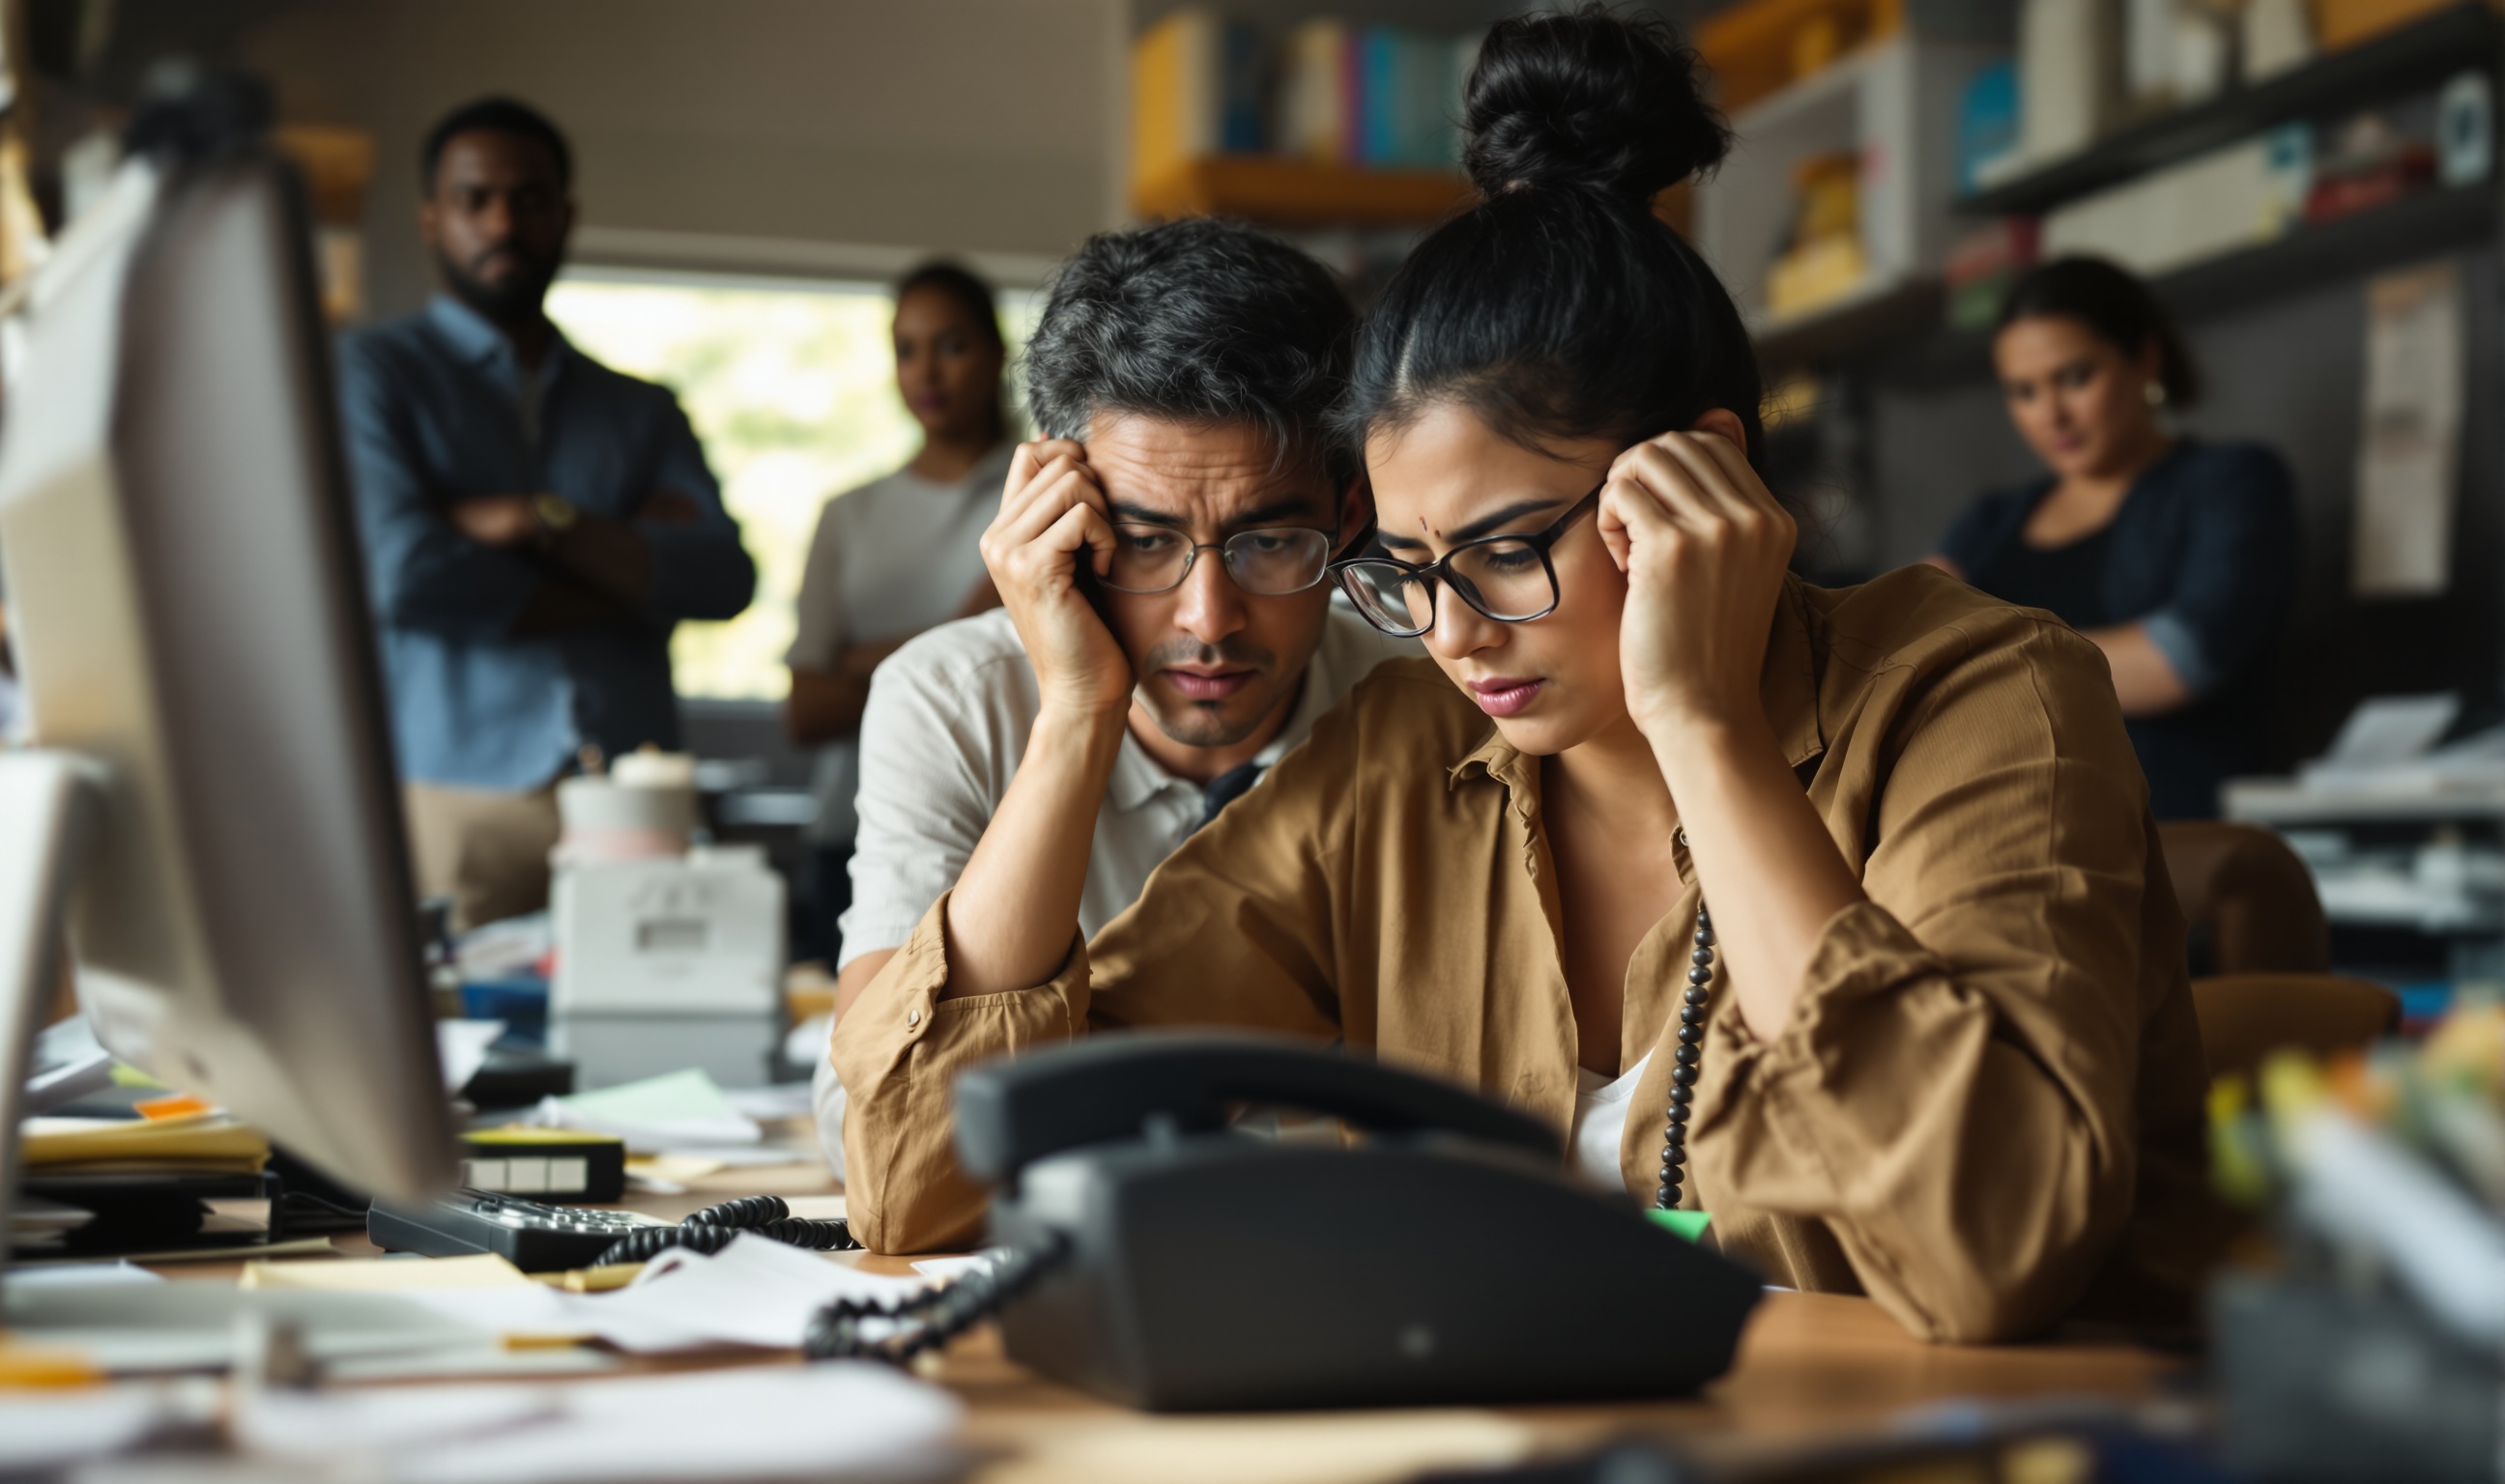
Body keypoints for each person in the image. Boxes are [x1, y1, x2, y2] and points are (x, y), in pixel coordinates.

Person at [832, 9, 2219, 1345]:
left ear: (1705, 479)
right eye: (1410, 567)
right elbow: (917, 1185)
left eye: (1504, 551)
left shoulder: (1982, 699)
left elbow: (1994, 1251)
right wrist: (1079, 710)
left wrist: (1706, 727)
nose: (1454, 634)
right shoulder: (1400, 758)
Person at [810, 217, 1417, 1174]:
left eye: (1268, 542)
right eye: (1145, 542)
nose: (1208, 619)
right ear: (1056, 507)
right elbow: (868, 1133)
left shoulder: (1418, 705)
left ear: (1349, 514)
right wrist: (1077, 712)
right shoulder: (950, 701)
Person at [340, 98, 755, 927]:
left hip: (639, 796)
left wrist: (539, 521)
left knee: (658, 1035)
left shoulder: (642, 410)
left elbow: (722, 577)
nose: (503, 221)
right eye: (474, 199)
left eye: (528, 199)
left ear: (565, 217)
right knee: (450, 1041)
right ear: (432, 218)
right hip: (455, 794)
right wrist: (628, 573)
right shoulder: (372, 375)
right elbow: (403, 574)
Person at [1927, 257, 2296, 820]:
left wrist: (1977, 666)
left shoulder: (2229, 481)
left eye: (2074, 378)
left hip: (2171, 836)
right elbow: (1913, 652)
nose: (2051, 415)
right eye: (2023, 392)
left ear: (2145, 360)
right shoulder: (1989, 521)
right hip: (2003, 831)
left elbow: (2182, 658)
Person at [784, 262, 1015, 965]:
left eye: (951, 345)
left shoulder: (1043, 487)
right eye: (906, 349)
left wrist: (863, 659)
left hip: (1003, 817)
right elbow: (805, 712)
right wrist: (961, 633)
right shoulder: (849, 515)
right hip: (853, 826)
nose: (928, 373)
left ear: (998, 352)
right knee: (859, 1050)